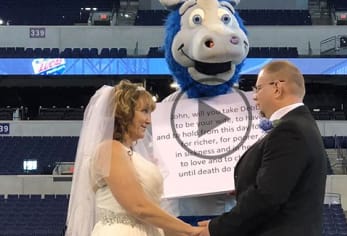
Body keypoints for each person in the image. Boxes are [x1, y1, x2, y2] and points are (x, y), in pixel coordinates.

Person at [198, 60, 328, 236]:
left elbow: (267, 197)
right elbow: (280, 182)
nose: (254, 96)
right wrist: (245, 183)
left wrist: (218, 228)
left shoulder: (289, 131)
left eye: (258, 88)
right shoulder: (300, 124)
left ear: (277, 88)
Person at [66, 80, 203, 236]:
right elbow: (139, 207)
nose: (149, 120)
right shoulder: (110, 149)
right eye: (144, 111)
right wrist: (190, 230)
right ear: (125, 113)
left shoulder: (130, 154)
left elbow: (151, 214)